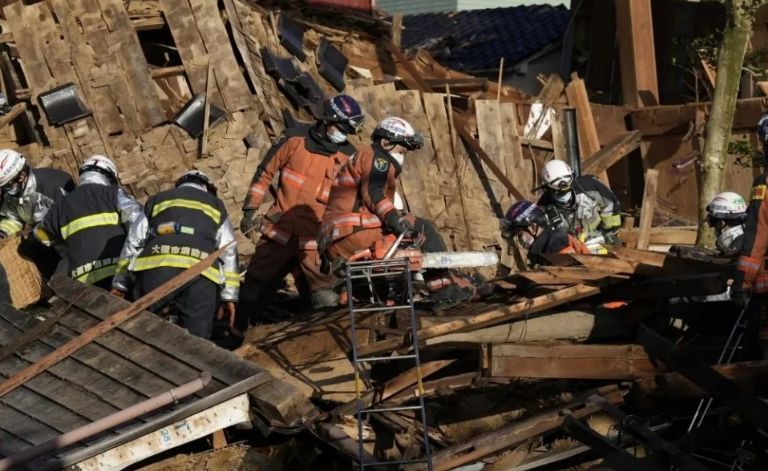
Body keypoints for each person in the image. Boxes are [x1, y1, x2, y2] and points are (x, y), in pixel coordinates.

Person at [319, 116, 479, 304]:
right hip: (354, 232)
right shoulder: (377, 157)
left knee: (388, 266)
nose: (403, 155)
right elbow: (374, 192)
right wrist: (395, 219)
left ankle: (371, 298)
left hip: (335, 240)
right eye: (402, 149)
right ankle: (442, 294)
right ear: (386, 142)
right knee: (423, 228)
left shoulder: (359, 157)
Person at [239, 95, 364, 319]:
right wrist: (250, 210)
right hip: (279, 231)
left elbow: (349, 205)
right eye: (341, 128)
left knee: (324, 300)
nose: (343, 135)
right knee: (254, 290)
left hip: (314, 243)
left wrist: (340, 245)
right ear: (328, 120)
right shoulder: (293, 138)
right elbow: (264, 173)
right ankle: (239, 333)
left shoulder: (347, 156)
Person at [112, 170, 239, 339]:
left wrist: (120, 284)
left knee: (143, 329)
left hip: (155, 268)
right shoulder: (216, 205)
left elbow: (133, 240)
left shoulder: (158, 199)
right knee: (197, 338)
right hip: (201, 273)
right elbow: (228, 250)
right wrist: (229, 296)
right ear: (206, 187)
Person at [33, 155, 142, 290]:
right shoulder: (113, 193)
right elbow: (138, 222)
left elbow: (40, 235)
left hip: (82, 283)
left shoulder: (60, 206)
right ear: (109, 177)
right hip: (117, 274)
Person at [536, 160, 622, 247]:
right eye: (559, 193)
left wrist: (609, 232)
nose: (564, 195)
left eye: (567, 189)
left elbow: (611, 204)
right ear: (547, 187)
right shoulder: (543, 208)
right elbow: (545, 240)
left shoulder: (590, 186)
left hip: (601, 238)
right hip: (570, 250)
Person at [0, 149, 75, 238]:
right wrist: (4, 232)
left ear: (21, 175)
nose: (6, 190)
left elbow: (65, 223)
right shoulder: (14, 190)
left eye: (7, 186)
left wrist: (33, 236)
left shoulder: (52, 188)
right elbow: (12, 216)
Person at [501, 200, 591, 267]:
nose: (520, 241)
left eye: (520, 235)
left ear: (532, 228)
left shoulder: (556, 242)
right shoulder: (540, 249)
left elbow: (570, 276)